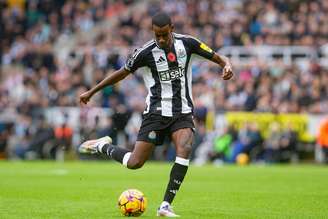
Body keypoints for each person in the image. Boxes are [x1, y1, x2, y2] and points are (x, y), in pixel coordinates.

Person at [78, 12, 233, 217]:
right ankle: (102, 145)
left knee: (185, 147)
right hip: (155, 114)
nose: (161, 39)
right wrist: (92, 91)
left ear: (172, 28)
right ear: (153, 31)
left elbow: (217, 56)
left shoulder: (188, 44)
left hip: (182, 112)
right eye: (157, 35)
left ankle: (165, 205)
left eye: (164, 34)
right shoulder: (144, 53)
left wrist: (226, 65)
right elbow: (121, 73)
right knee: (135, 163)